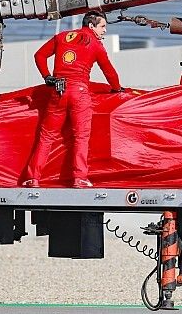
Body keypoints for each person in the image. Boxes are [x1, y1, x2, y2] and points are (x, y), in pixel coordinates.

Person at [22, 11, 122, 188]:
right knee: (80, 137)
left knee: (46, 137)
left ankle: (33, 178)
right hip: (80, 92)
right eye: (103, 26)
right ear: (91, 26)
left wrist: (47, 77)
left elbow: (39, 55)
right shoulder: (96, 45)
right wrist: (117, 89)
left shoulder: (62, 36)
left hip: (58, 90)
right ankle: (79, 178)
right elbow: (109, 72)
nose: (105, 31)